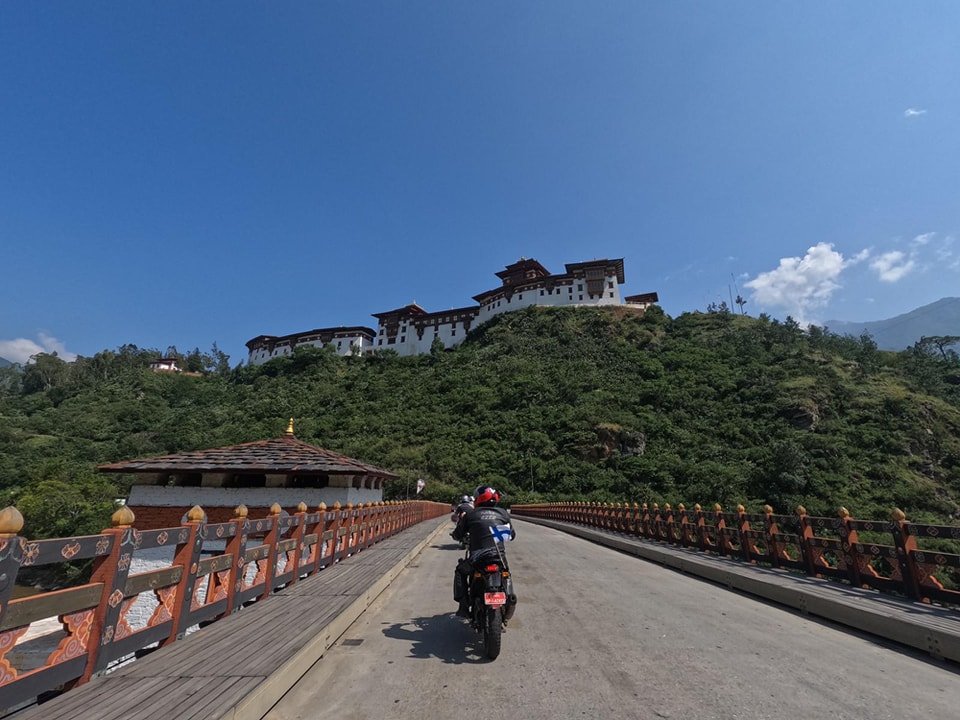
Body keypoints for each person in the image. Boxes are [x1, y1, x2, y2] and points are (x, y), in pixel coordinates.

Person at [451, 485, 515, 617]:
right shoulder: (503, 513)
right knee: (506, 573)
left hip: (477, 559)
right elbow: (512, 535)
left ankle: (463, 606)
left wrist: (458, 535)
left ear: (478, 499)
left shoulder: (471, 514)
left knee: (460, 571)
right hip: (498, 557)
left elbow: (458, 534)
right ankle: (510, 600)